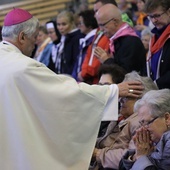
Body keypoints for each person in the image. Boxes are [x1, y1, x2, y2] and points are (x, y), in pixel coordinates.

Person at [0, 8, 144, 170]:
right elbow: (65, 92)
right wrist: (113, 91)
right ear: (21, 37)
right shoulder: (23, 67)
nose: (34, 45)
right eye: (34, 39)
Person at [90, 71, 158, 170]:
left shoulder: (142, 124)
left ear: (141, 100)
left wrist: (97, 153)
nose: (119, 100)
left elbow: (130, 156)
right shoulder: (121, 117)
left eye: (126, 97)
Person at [121, 89, 170, 170]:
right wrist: (134, 156)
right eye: (141, 124)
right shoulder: (153, 142)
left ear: (167, 118)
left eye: (147, 123)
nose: (142, 129)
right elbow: (121, 166)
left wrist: (141, 157)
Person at [94, 4, 146, 75]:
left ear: (115, 21)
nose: (101, 29)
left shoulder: (131, 41)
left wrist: (107, 60)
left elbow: (126, 74)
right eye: (99, 25)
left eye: (103, 25)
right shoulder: (117, 40)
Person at [145, 0, 170, 89]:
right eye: (150, 17)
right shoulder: (155, 37)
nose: (154, 21)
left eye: (157, 16)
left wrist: (155, 85)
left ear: (169, 12)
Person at [97, 64, 127, 138]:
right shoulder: (94, 110)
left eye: (107, 86)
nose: (102, 89)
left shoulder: (120, 116)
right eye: (100, 85)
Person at [55, 10, 84, 75]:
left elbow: (75, 61)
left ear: (71, 23)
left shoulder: (77, 38)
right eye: (58, 24)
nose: (60, 28)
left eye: (64, 24)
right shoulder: (64, 38)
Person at [72, 9, 98, 81]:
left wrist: (83, 74)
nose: (79, 26)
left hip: (88, 80)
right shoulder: (85, 40)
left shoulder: (94, 40)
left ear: (89, 23)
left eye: (81, 23)